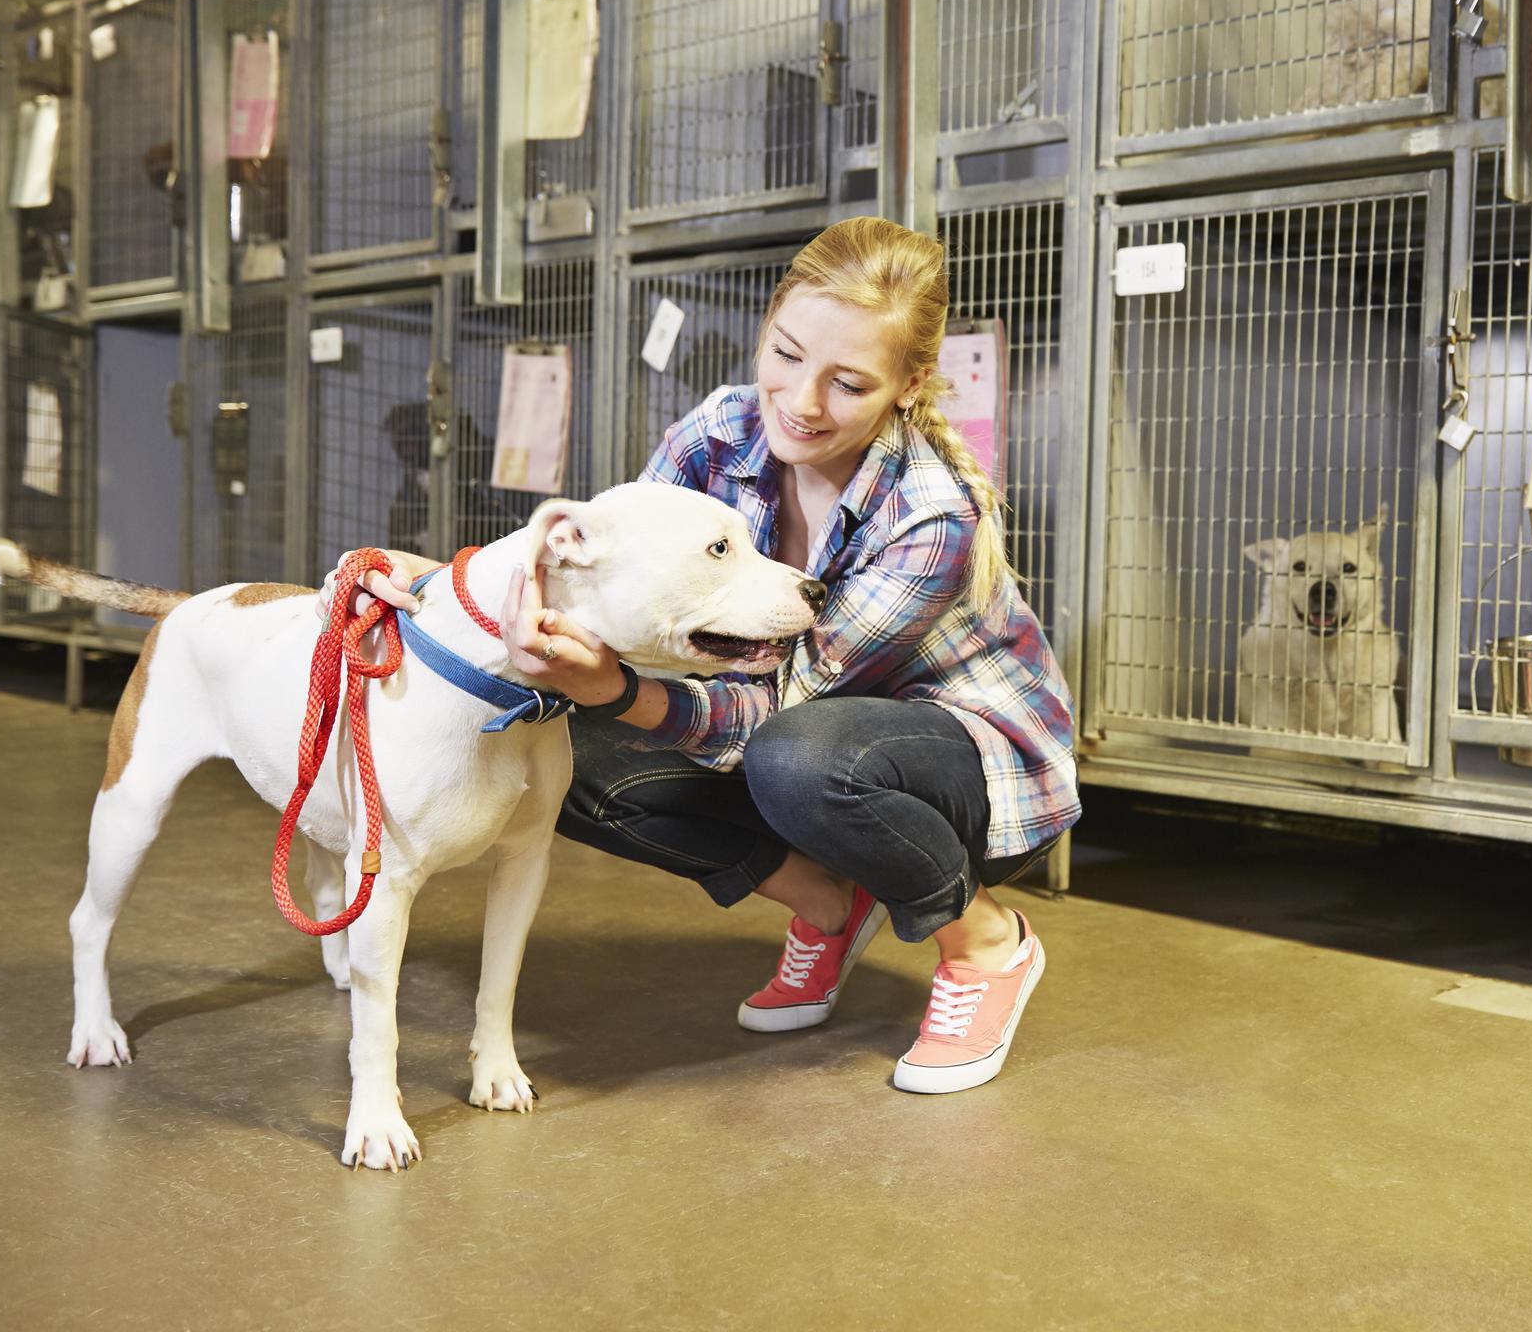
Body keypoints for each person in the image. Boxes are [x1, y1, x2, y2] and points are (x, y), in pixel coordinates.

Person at [331, 217, 1077, 1094]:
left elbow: (782, 706)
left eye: (848, 383)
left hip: (960, 760)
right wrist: (459, 586)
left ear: (909, 387)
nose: (801, 401)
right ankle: (829, 905)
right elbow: (624, 588)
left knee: (799, 759)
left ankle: (987, 941)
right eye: (786, 355)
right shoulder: (720, 431)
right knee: (544, 744)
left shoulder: (929, 513)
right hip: (786, 722)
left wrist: (616, 692)